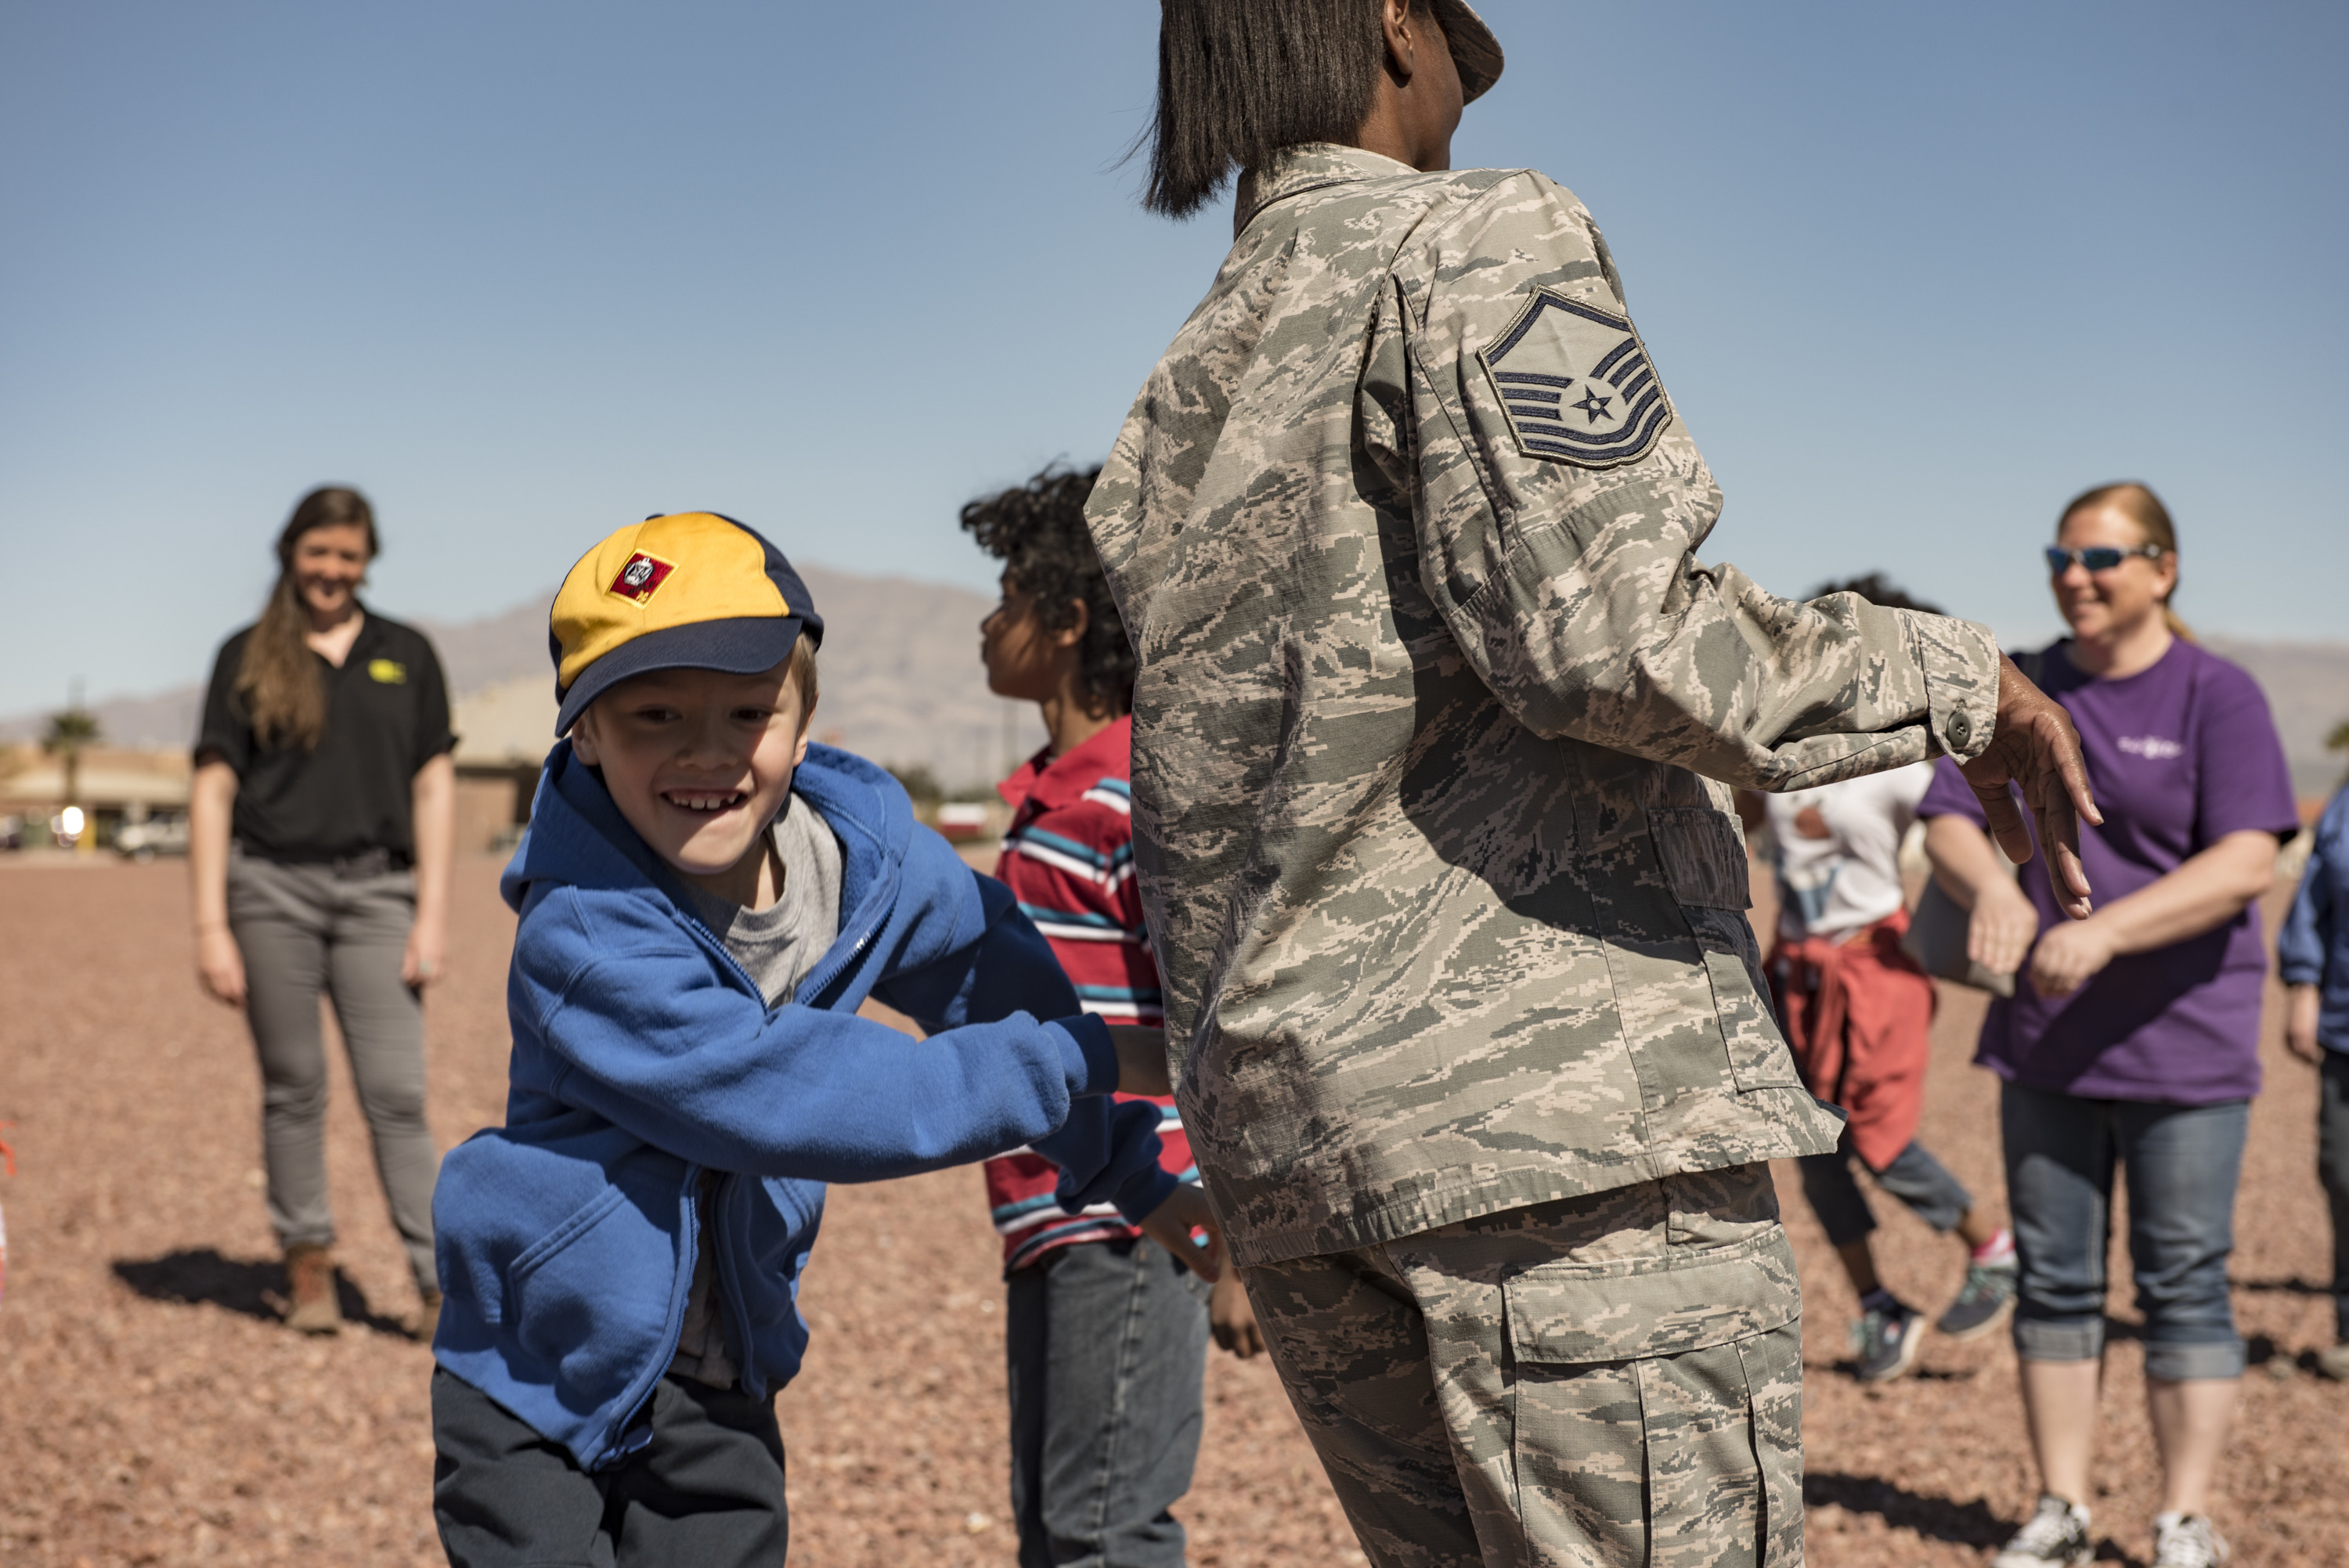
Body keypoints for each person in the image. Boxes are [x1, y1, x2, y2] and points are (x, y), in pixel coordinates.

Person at [1085, 5, 2100, 1565]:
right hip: (1551, 1129)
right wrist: (1965, 679)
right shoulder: (1475, 236)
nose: (1464, 105)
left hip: (1301, 1152)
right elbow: (1612, 631)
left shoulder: (1183, 387)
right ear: (1391, 22)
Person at [426, 512, 1222, 1568]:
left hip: (721, 1372)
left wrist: (1135, 1174)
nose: (705, 751)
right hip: (539, 1376)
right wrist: (1092, 1055)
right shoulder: (584, 931)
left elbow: (995, 977)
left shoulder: (865, 862)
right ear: (584, 734)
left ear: (804, 721)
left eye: (747, 710)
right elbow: (797, 1092)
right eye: (653, 714)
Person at [1919, 483, 2296, 1568]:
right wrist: (1992, 889)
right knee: (2057, 1277)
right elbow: (1948, 815)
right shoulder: (2027, 687)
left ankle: (2182, 1516)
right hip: (2046, 1043)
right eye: (2061, 556)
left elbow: (2247, 861)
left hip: (2186, 1044)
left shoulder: (2217, 695)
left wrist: (2107, 931)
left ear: (2162, 568)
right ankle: (2062, 1507)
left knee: (2183, 1276)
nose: (2074, 576)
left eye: (2102, 557)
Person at [963, 465, 1265, 1568]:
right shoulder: (1049, 795)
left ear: (1070, 619)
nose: (985, 622)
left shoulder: (1134, 794)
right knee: (1052, 1523)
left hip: (1134, 1214)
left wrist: (1233, 1246)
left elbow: (1218, 1011)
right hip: (1048, 1210)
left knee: (1106, 1529)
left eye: (1005, 597)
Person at [189, 485, 455, 1337]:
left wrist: (432, 914)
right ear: (290, 553)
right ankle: (309, 1268)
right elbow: (213, 787)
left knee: (397, 1092)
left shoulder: (406, 653)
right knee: (294, 1085)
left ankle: (437, 1282)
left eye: (348, 555)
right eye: (318, 552)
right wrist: (210, 925)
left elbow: (433, 783)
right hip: (271, 893)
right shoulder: (246, 655)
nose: (332, 571)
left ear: (366, 562)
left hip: (381, 894)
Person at [1748, 576, 2016, 1384]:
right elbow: (1750, 819)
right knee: (1816, 1151)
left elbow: (1958, 835)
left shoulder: (1906, 760)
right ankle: (1879, 1306)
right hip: (1793, 967)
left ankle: (1991, 1247)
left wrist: (1997, 897)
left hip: (1876, 967)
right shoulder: (1783, 747)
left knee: (1879, 1136)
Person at [2279, 777, 2349, 1384]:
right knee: (2343, 1172)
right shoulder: (2344, 803)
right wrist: (2304, 984)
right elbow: (2312, 899)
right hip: (2344, 1026)